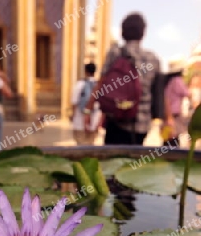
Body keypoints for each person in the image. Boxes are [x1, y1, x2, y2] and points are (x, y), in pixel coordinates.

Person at [84, 13, 162, 145]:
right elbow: (159, 95)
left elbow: (101, 84)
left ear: (122, 32)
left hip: (116, 120)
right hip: (141, 125)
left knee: (111, 162)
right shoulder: (153, 59)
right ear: (143, 33)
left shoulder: (115, 53)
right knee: (132, 163)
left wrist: (88, 110)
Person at [71, 62, 101, 145]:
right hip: (94, 121)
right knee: (90, 146)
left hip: (79, 121)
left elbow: (74, 101)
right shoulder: (99, 85)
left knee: (80, 146)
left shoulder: (79, 84)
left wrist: (72, 115)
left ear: (85, 71)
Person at [164, 57, 191, 143]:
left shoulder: (169, 80)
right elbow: (188, 93)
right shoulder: (177, 80)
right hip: (173, 114)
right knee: (173, 138)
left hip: (169, 113)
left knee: (169, 138)